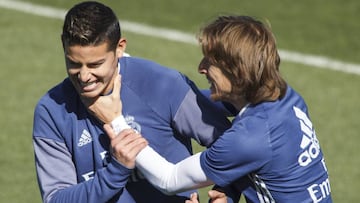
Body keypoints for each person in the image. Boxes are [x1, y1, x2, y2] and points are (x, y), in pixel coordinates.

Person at [99, 15, 333, 202]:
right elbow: (180, 101)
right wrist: (118, 62)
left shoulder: (249, 138)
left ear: (238, 73)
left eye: (210, 63)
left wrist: (118, 121)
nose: (201, 68)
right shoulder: (284, 95)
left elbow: (169, 180)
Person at [32, 1, 232, 203]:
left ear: (119, 48)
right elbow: (56, 199)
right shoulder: (51, 110)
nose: (84, 76)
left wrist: (226, 193)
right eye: (74, 63)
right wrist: (116, 170)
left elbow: (231, 145)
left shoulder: (162, 85)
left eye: (95, 64)